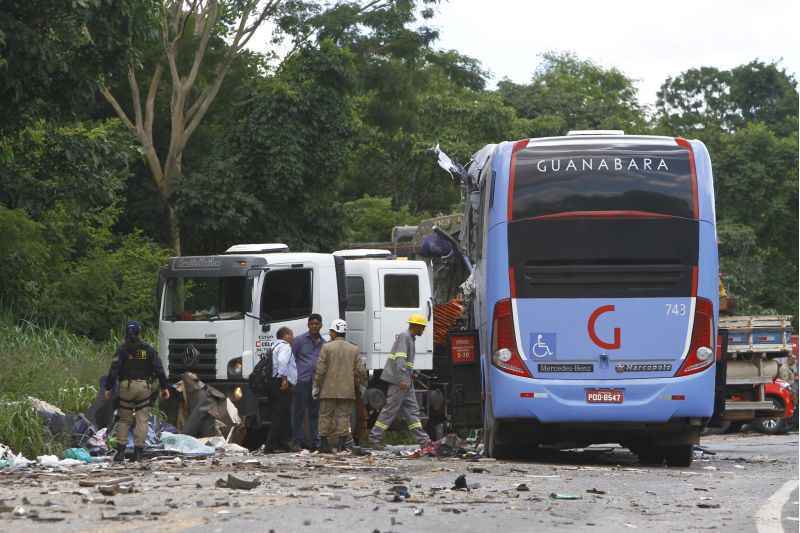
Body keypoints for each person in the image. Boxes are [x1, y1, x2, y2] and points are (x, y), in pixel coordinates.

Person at [104, 321, 169, 462]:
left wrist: (108, 388)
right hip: (144, 387)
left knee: (124, 419)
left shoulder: (122, 350)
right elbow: (159, 369)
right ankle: (138, 453)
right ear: (140, 333)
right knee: (142, 420)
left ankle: (120, 452)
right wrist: (164, 387)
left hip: (126, 387)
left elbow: (114, 370)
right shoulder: (148, 350)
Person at [368, 314, 431, 448]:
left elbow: (404, 362)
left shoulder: (410, 338)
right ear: (415, 326)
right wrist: (403, 378)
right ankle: (375, 438)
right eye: (422, 327)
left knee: (413, 411)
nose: (423, 330)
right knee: (390, 410)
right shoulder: (405, 337)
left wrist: (411, 374)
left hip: (405, 381)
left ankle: (424, 441)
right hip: (399, 382)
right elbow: (400, 359)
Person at [313, 319, 366, 453]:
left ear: (333, 332)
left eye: (330, 332)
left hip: (328, 389)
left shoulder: (327, 347)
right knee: (343, 416)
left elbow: (320, 369)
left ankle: (324, 445)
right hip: (346, 390)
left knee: (325, 415)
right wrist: (362, 385)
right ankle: (342, 445)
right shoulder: (354, 349)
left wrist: (316, 386)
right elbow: (360, 370)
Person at [291, 314, 325, 450]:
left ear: (321, 326)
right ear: (308, 325)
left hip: (316, 383)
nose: (314, 326)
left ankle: (315, 444)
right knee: (298, 413)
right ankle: (296, 442)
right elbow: (291, 359)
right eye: (312, 324)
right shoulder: (299, 341)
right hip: (301, 382)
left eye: (317, 324)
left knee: (314, 413)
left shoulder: (324, 344)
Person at [265, 327, 298, 452]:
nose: (293, 338)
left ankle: (282, 444)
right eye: (291, 335)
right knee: (280, 415)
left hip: (272, 383)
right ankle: (271, 446)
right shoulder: (285, 346)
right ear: (286, 335)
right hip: (281, 383)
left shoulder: (274, 346)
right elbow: (282, 362)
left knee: (280, 414)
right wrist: (284, 380)